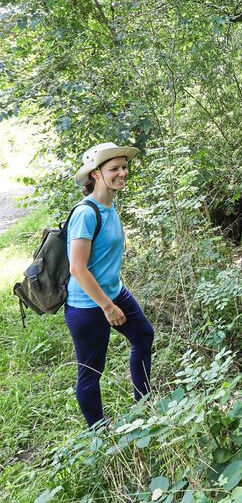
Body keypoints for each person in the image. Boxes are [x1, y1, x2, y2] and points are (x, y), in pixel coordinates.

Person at [65, 142, 154, 428]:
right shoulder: (86, 213)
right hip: (88, 305)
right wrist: (107, 306)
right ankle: (99, 434)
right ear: (95, 174)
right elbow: (77, 268)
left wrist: (113, 298)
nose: (122, 173)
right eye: (113, 168)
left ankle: (144, 403)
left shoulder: (109, 205)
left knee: (143, 336)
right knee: (91, 372)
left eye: (124, 167)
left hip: (114, 293)